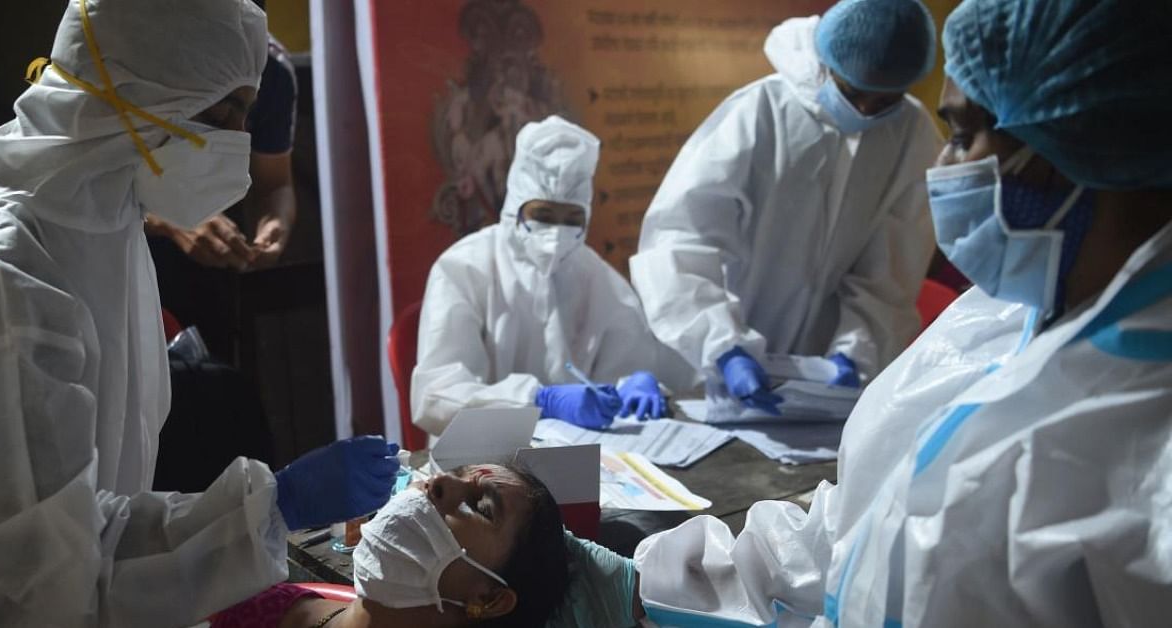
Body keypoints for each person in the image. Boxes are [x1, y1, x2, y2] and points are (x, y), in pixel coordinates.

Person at [628, 0, 1172, 625]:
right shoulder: (998, 319)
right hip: (732, 361)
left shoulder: (1144, 458)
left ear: (1080, 138)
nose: (942, 167)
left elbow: (885, 272)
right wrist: (664, 579)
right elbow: (869, 522)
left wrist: (853, 352)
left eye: (963, 137)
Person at [0, 1, 397, 626]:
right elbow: (61, 574)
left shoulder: (98, 219)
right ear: (142, 96)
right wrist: (275, 506)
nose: (238, 142)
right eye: (224, 115)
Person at [630, 0, 940, 414]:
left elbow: (892, 268)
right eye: (854, 92)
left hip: (818, 383)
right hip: (712, 366)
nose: (866, 110)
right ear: (827, 64)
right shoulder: (761, 111)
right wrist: (723, 345)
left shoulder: (911, 133)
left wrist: (856, 350)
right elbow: (680, 238)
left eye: (884, 99)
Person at [412, 115, 694, 434]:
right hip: (480, 457)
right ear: (516, 205)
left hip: (585, 456)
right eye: (543, 214)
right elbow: (435, 396)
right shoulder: (463, 268)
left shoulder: (599, 279)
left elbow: (629, 365)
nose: (557, 233)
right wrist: (538, 402)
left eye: (571, 218)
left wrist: (637, 382)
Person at [210, 464, 570, 628]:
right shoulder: (258, 605)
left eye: (479, 506)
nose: (438, 482)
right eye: (455, 472)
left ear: (489, 599)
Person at [144, 20, 299, 362]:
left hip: (210, 272)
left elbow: (273, 184)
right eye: (217, 116)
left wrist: (274, 224)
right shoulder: (132, 48)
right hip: (115, 257)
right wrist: (171, 216)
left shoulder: (269, 69)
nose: (235, 132)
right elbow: (87, 180)